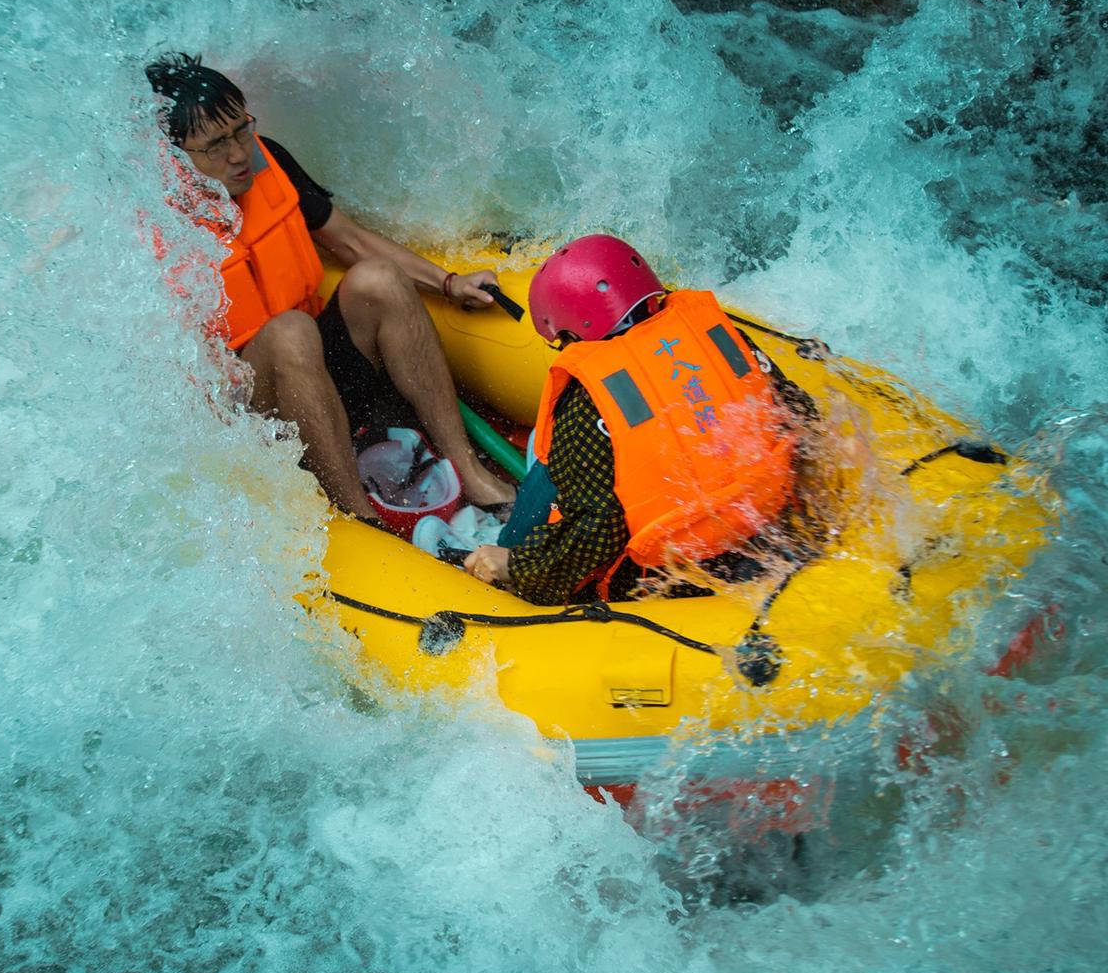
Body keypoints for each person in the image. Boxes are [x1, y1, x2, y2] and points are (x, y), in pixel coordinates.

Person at [144, 52, 516, 522]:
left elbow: (352, 241)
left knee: (377, 278)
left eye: (241, 128)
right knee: (292, 331)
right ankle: (360, 516)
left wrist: (448, 283)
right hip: (255, 408)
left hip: (320, 365)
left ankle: (471, 472)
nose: (239, 153)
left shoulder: (266, 160)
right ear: (175, 155)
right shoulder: (156, 222)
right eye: (216, 145)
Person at [462, 235, 816, 604]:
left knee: (549, 463)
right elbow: (799, 415)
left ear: (570, 332)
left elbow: (599, 530)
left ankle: (499, 545)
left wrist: (518, 565)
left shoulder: (586, 404)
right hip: (768, 527)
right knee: (544, 445)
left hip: (679, 575)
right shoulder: (722, 337)